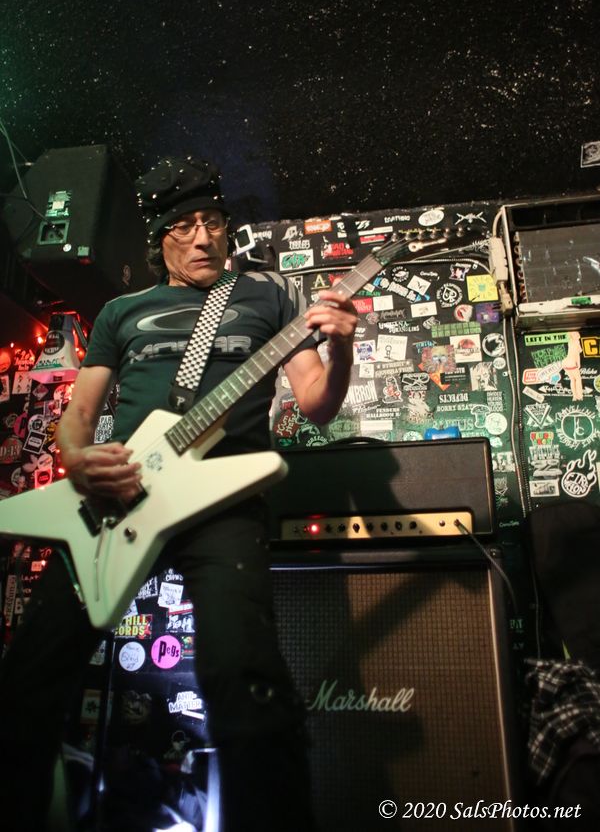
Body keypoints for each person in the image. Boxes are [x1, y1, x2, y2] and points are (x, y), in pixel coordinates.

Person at [0, 156, 357, 832]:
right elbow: (79, 417)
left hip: (223, 502)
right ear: (159, 238)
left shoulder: (270, 298)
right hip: (116, 498)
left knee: (245, 675)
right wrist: (77, 461)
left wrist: (341, 351)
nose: (203, 238)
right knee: (30, 674)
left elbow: (316, 404)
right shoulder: (121, 311)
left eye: (214, 223)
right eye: (185, 226)